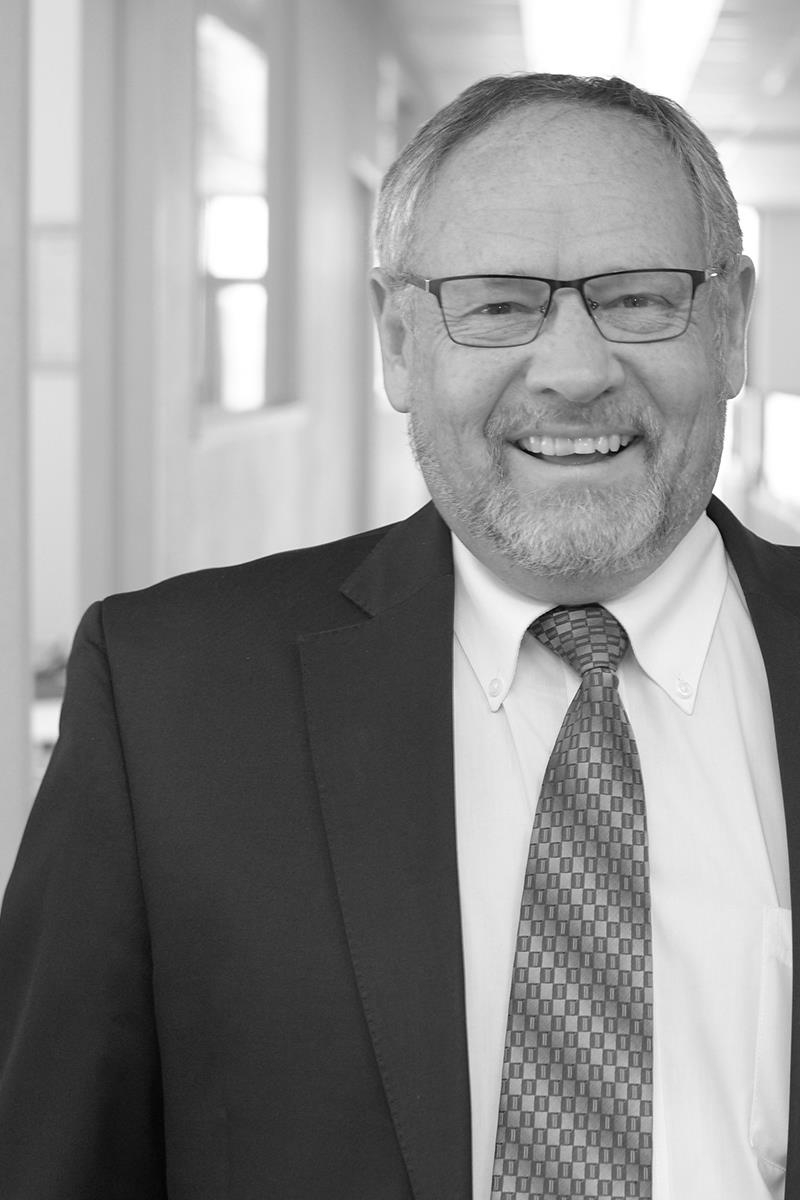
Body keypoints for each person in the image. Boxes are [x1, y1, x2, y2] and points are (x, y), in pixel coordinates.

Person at [0, 70, 797, 1200]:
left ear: (731, 327)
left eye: (637, 299)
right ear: (397, 343)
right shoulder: (166, 704)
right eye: (497, 305)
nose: (574, 372)